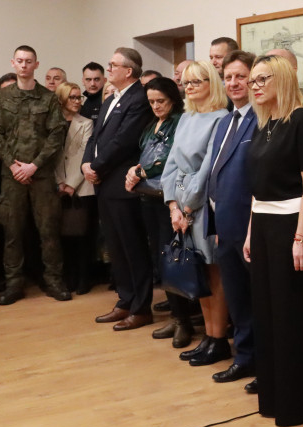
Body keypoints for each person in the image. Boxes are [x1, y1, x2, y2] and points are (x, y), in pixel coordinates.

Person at [243, 54, 303, 425]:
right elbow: (257, 189)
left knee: (290, 315)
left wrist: (302, 236)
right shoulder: (264, 123)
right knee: (266, 313)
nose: (255, 86)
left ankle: (295, 405)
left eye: (262, 79)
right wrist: (249, 232)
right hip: (262, 227)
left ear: (284, 79)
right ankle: (272, 399)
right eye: (253, 80)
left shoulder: (300, 120)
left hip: (291, 225)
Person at [0, 45, 71, 305]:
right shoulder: (3, 98)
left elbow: (56, 136)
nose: (24, 65)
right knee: (12, 231)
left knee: (48, 231)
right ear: (13, 63)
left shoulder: (48, 98)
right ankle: (14, 284)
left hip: (41, 176)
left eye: (29, 61)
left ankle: (53, 281)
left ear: (36, 65)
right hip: (12, 176)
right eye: (20, 61)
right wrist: (14, 166)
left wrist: (33, 165)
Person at [82, 47, 155, 331]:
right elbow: (96, 136)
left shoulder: (139, 99)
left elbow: (123, 142)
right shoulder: (113, 97)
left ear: (129, 71)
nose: (108, 69)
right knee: (116, 247)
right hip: (103, 182)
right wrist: (87, 163)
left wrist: (96, 167)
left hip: (122, 185)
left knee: (132, 246)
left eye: (113, 65)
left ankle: (141, 308)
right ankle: (124, 301)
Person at [159, 66, 227, 353]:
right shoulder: (187, 117)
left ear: (211, 83)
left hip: (204, 203)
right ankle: (207, 338)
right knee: (195, 268)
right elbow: (172, 163)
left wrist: (187, 208)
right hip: (182, 201)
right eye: (186, 82)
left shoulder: (221, 118)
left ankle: (218, 337)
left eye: (196, 81)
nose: (189, 86)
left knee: (212, 271)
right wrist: (173, 205)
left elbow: (208, 167)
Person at [202, 50, 257, 382]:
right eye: (229, 77)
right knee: (237, 298)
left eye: (241, 76)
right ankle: (245, 357)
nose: (234, 83)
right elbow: (215, 175)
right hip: (224, 225)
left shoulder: (262, 119)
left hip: (250, 226)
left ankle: (262, 361)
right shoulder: (225, 122)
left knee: (256, 299)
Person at [123, 75, 187, 344]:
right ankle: (175, 314)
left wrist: (141, 171)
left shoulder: (180, 122)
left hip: (168, 199)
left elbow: (171, 157)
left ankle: (183, 319)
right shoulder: (152, 123)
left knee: (172, 259)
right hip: (147, 196)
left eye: (161, 101)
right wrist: (134, 170)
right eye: (151, 102)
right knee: (159, 258)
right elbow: (143, 154)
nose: (157, 106)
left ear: (173, 99)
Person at [54, 81, 95, 295]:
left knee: (82, 237)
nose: (78, 101)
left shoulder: (86, 123)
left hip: (80, 187)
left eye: (79, 97)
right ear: (62, 98)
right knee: (63, 237)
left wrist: (70, 184)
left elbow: (83, 154)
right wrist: (59, 182)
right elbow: (50, 155)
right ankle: (67, 278)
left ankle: (83, 279)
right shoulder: (51, 122)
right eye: (73, 97)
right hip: (56, 186)